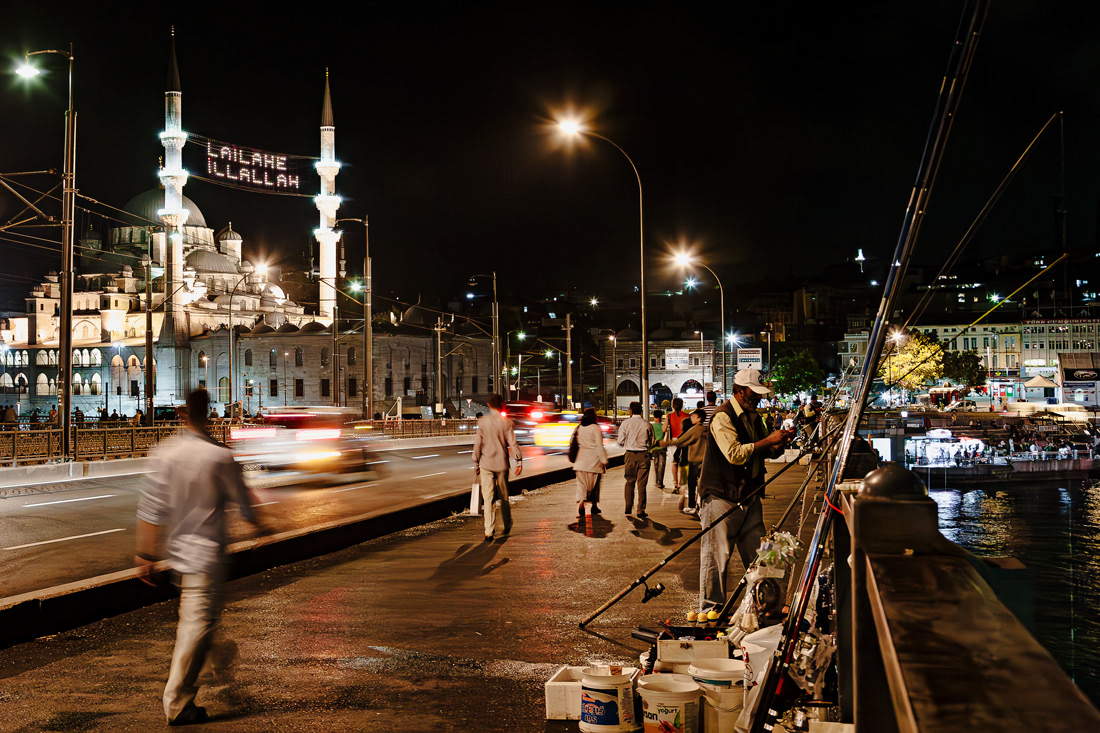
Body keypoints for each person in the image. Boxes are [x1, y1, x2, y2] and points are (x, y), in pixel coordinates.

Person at [134, 388, 262, 725]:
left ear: (182, 414)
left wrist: (145, 552)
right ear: (209, 414)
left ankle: (214, 658)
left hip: (178, 557)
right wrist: (263, 527)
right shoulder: (219, 456)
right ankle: (178, 704)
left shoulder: (164, 453)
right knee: (196, 626)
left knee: (199, 620)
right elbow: (245, 505)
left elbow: (151, 508)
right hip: (207, 558)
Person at [698, 369, 793, 613]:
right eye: (754, 393)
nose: (758, 398)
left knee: (760, 557)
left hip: (749, 496)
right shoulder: (722, 416)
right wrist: (769, 441)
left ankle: (763, 606)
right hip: (721, 496)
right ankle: (711, 610)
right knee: (716, 559)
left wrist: (779, 443)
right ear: (739, 391)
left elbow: (763, 449)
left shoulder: (753, 417)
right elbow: (735, 454)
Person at [472, 394, 522, 540]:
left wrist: (476, 462)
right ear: (501, 405)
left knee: (488, 499)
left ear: (488, 405)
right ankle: (507, 524)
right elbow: (513, 444)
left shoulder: (482, 422)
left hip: (486, 465)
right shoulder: (506, 422)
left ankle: (489, 530)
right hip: (502, 465)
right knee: (504, 497)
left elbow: (477, 445)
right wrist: (518, 461)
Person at [665, 408, 708, 516]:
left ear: (699, 418)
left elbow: (681, 440)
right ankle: (703, 504)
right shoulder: (705, 429)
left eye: (693, 416)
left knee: (692, 483)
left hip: (694, 460)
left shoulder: (695, 429)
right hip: (704, 460)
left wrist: (665, 443)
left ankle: (692, 506)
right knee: (703, 483)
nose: (691, 418)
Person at [617, 401, 653, 518]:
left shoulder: (626, 423)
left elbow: (620, 441)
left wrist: (628, 443)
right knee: (642, 485)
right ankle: (640, 510)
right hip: (644, 455)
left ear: (630, 411)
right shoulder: (647, 424)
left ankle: (628, 506)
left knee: (629, 481)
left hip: (630, 455)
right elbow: (652, 442)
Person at [573, 408, 608, 517]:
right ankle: (594, 505)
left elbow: (572, 441)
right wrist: (604, 460)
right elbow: (598, 445)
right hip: (593, 462)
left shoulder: (579, 428)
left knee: (581, 485)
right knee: (594, 485)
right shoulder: (595, 428)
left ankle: (581, 503)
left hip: (580, 461)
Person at [663, 398, 689, 491]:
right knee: (683, 462)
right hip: (684, 440)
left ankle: (676, 483)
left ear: (672, 406)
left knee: (674, 463)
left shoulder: (669, 416)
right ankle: (683, 481)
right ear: (682, 405)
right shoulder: (687, 416)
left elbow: (663, 429)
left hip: (673, 441)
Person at [649, 409, 666, 489]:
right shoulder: (663, 426)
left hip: (654, 448)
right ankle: (660, 481)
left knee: (655, 465)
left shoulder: (651, 426)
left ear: (653, 416)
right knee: (661, 465)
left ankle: (657, 481)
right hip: (662, 448)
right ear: (661, 417)